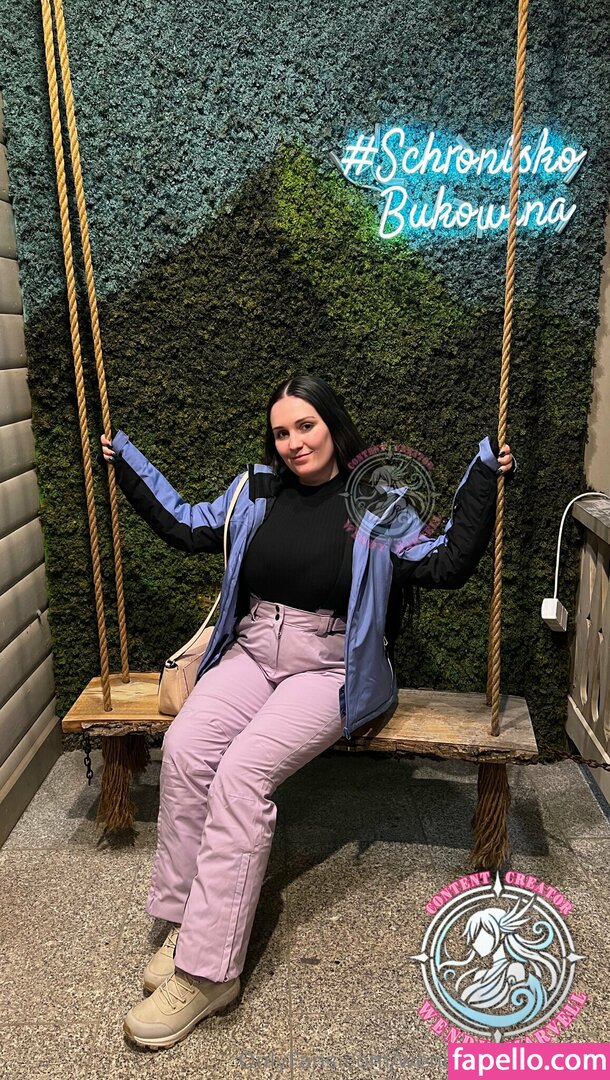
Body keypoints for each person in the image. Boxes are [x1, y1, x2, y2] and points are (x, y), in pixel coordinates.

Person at [98, 374, 516, 1050]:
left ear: (332, 425)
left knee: (241, 777)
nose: (294, 442)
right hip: (251, 649)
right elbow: (184, 525)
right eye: (282, 432)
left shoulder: (377, 504)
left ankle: (208, 973)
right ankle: (187, 920)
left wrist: (484, 473)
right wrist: (123, 457)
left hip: (328, 664)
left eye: (306, 426)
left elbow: (445, 563)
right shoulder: (256, 491)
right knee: (186, 749)